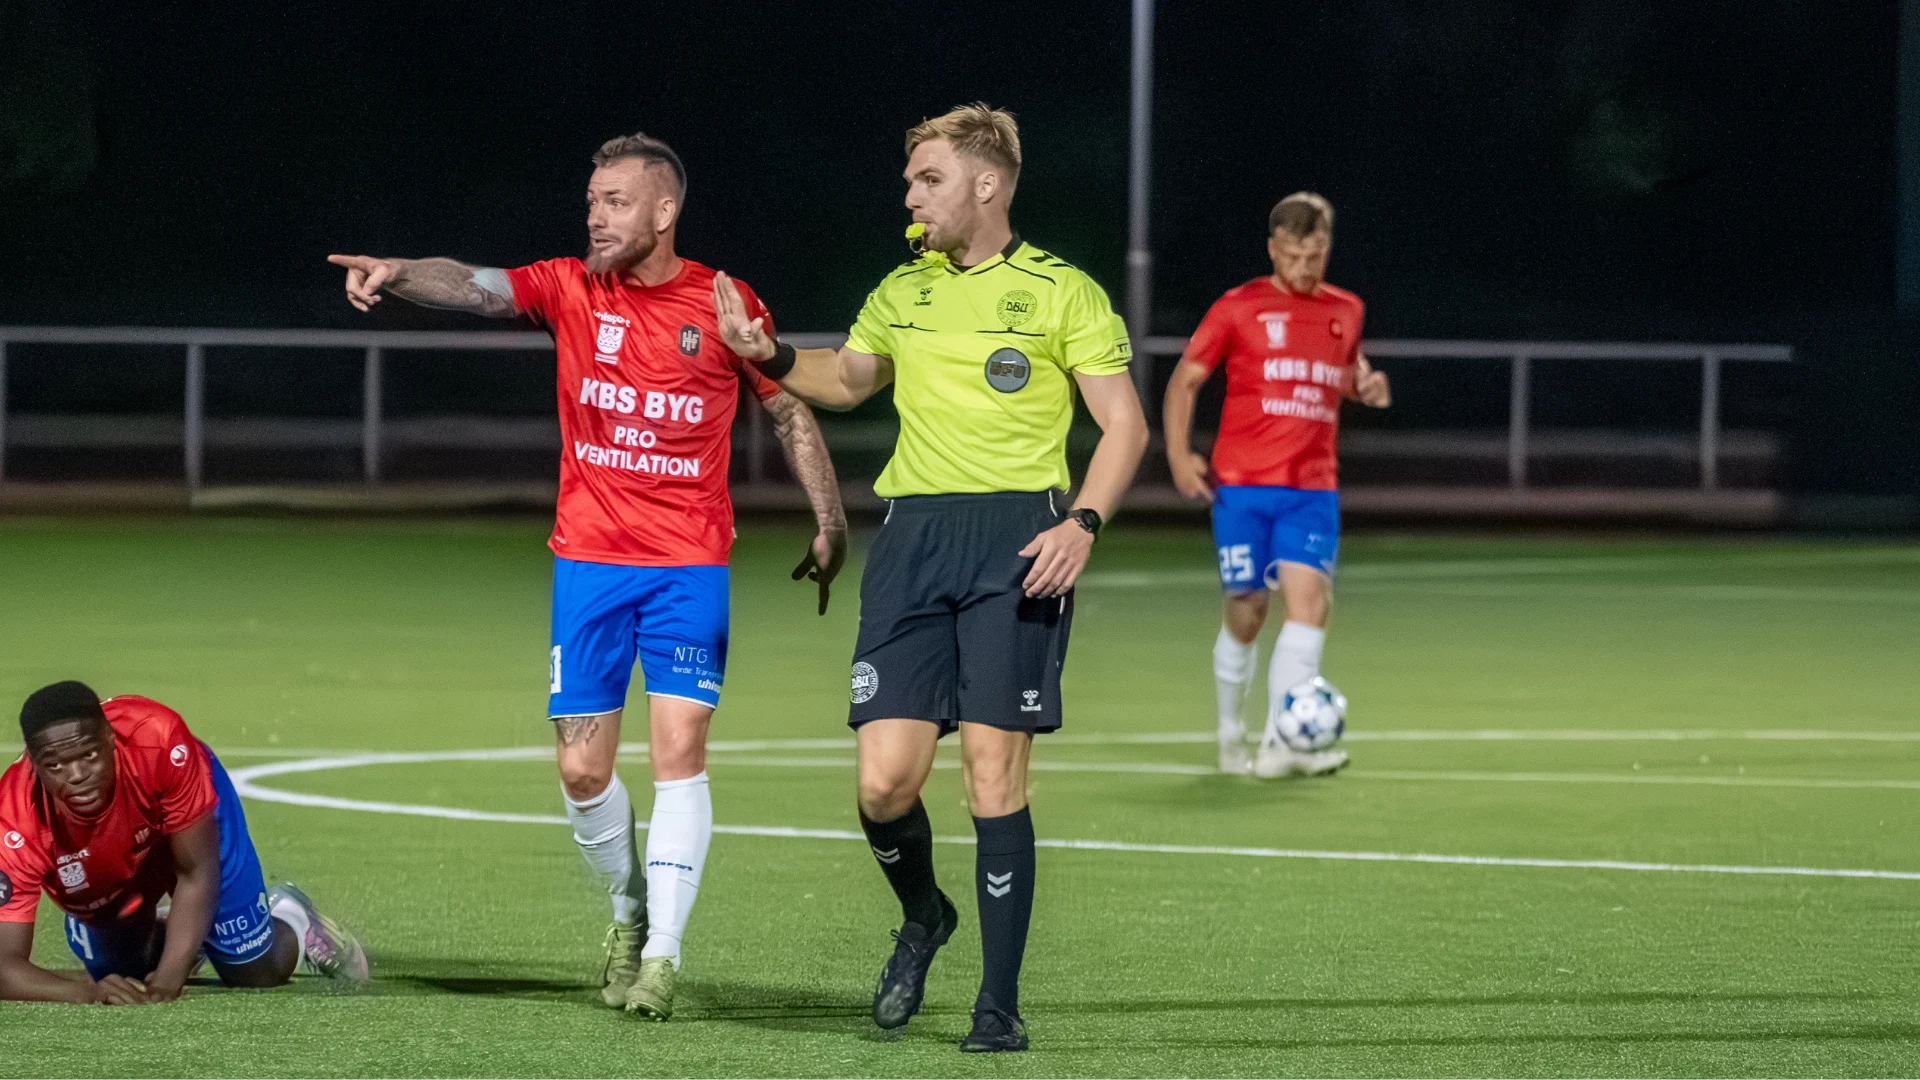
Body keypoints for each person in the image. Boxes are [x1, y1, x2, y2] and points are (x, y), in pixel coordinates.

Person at [326, 132, 847, 1021]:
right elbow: (476, 284)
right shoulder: (571, 286)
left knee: (682, 752)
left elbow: (788, 406)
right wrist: (401, 269)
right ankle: (627, 906)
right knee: (580, 771)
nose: (596, 215)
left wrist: (830, 518)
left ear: (664, 211)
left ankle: (662, 957)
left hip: (688, 565)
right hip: (590, 564)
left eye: (615, 201)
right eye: (593, 201)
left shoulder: (722, 300)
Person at [713, 103, 1148, 1052]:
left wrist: (1083, 521)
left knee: (993, 780)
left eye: (929, 179)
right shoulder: (902, 289)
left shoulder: (1063, 292)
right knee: (883, 784)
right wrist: (772, 356)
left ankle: (998, 1007)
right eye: (911, 180)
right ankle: (924, 915)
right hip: (913, 544)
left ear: (986, 185)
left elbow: (1126, 427)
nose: (911, 196)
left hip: (1018, 541)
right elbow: (848, 378)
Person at [1160, 192, 1392, 778]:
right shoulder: (1238, 307)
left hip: (1312, 487)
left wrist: (1367, 386)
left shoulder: (1347, 309)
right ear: (1272, 249)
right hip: (1241, 486)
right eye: (1291, 255)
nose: (1303, 268)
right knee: (1249, 607)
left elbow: (1342, 372)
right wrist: (1179, 454)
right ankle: (1229, 731)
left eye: (1314, 255)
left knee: (1311, 606)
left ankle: (1282, 744)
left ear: (1327, 249)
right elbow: (1185, 382)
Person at [0, 682, 364, 1004]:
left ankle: (294, 917)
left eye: (89, 756)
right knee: (126, 974)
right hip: (100, 864)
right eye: (56, 766)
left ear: (111, 739)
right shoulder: (13, 819)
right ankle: (179, 930)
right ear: (33, 763)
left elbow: (195, 870)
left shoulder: (159, 740)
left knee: (257, 973)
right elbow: (4, 965)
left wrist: (169, 981)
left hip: (183, 821)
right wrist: (89, 992)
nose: (77, 775)